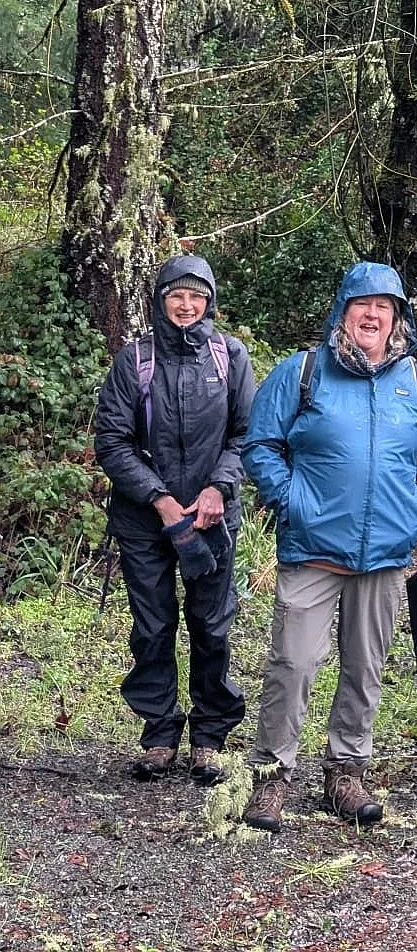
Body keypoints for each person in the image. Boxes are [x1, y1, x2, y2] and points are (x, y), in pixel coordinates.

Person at [240, 262, 417, 831]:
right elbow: (261, 444)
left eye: (387, 306)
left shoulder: (414, 381)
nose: (374, 314)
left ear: (398, 317)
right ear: (343, 310)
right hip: (312, 550)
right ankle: (271, 777)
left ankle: (346, 773)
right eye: (364, 304)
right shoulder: (302, 371)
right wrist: (293, 502)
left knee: (366, 666)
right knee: (293, 663)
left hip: (383, 555)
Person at [94, 255, 255, 785]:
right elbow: (112, 442)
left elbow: (247, 436)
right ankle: (160, 732)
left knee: (212, 626)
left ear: (209, 301)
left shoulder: (228, 356)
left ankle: (209, 736)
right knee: (153, 626)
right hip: (145, 521)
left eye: (197, 296)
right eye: (176, 295)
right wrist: (159, 498)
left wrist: (217, 489)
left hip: (213, 518)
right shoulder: (134, 360)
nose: (186, 305)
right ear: (160, 298)